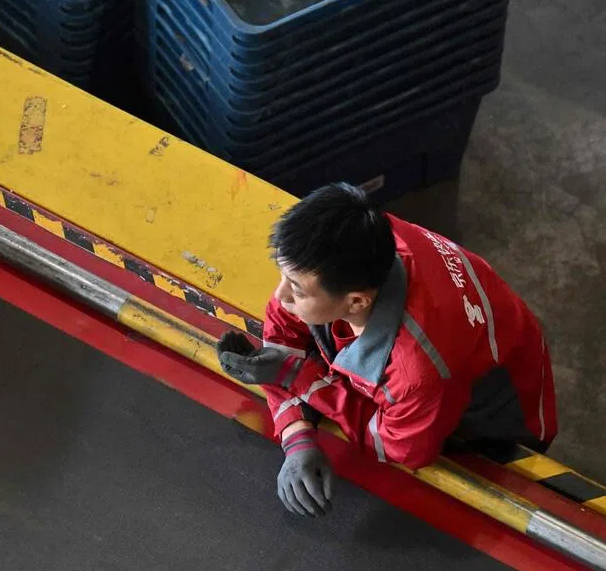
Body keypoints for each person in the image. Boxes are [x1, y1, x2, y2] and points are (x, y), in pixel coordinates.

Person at [217, 183, 557, 517]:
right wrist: (296, 433)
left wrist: (295, 375)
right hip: (467, 342)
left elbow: (398, 447)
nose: (280, 296)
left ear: (357, 302)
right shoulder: (357, 241)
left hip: (499, 412)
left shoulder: (417, 371)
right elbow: (283, 333)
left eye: (296, 290)